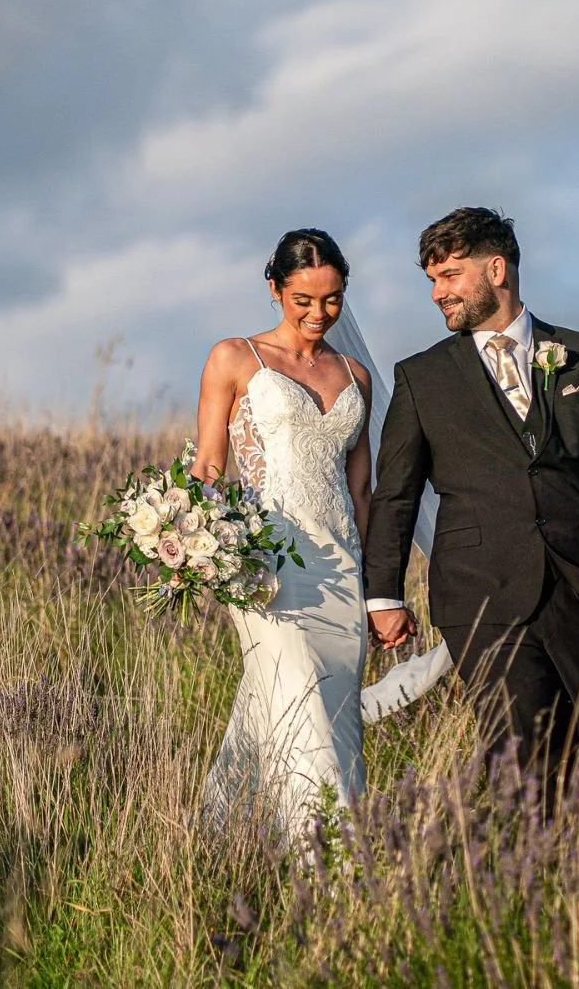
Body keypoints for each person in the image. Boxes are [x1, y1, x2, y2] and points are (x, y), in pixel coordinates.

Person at [364, 207, 579, 799]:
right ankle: (525, 876)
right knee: (517, 752)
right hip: (480, 592)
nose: (438, 293)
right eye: (432, 282)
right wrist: (384, 594)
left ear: (496, 269)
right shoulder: (422, 378)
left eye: (449, 276)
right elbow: (395, 494)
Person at [194, 229, 373, 844]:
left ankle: (227, 844)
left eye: (332, 300)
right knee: (298, 698)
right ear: (274, 288)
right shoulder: (233, 358)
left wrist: (375, 588)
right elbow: (210, 469)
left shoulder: (356, 376)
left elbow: (362, 491)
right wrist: (197, 544)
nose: (318, 314)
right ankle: (330, 865)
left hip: (343, 569)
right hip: (266, 566)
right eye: (303, 300)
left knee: (332, 713)